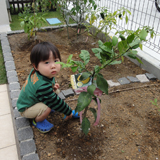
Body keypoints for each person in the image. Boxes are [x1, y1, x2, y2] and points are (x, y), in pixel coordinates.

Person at [17, 42, 79, 133]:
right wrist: (68, 112)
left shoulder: (40, 73)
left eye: (56, 61)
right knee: (48, 107)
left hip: (35, 98)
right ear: (35, 66)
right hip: (26, 108)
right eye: (46, 62)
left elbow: (48, 84)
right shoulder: (42, 86)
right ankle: (37, 121)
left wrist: (53, 87)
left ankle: (43, 108)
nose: (53, 66)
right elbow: (55, 101)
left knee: (56, 92)